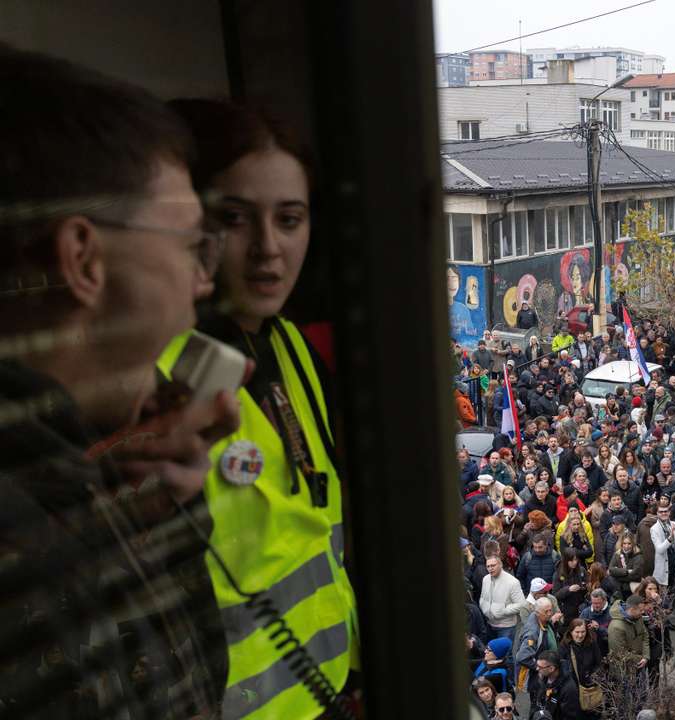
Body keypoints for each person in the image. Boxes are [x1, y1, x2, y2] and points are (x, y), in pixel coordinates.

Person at [0, 46, 237, 717]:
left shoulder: (69, 487)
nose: (205, 280)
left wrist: (152, 522)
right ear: (83, 260)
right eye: (192, 244)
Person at [162, 98, 361, 716]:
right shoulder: (160, 379)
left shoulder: (294, 346)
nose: (268, 249)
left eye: (290, 218)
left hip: (329, 689)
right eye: (235, 218)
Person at [515, 597, 564, 695]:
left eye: (551, 610)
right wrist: (541, 668)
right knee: (538, 702)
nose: (550, 614)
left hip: (549, 669)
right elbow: (522, 657)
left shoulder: (543, 619)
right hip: (537, 678)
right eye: (546, 611)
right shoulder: (532, 632)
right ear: (537, 613)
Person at [558, 619, 602, 717]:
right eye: (577, 632)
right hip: (573, 691)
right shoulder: (564, 647)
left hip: (590, 688)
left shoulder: (592, 643)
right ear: (571, 632)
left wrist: (592, 678)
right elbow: (562, 670)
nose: (580, 635)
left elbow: (599, 663)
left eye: (583, 632)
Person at [529, 650, 581, 720]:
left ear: (551, 669)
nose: (537, 669)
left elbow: (570, 716)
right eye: (537, 665)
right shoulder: (542, 677)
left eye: (540, 667)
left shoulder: (569, 689)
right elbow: (535, 703)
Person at [607, 595, 651, 671]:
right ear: (632, 609)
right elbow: (620, 653)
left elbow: (644, 635)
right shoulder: (616, 627)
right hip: (624, 669)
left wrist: (646, 656)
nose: (643, 612)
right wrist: (641, 659)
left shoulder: (637, 617)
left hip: (640, 663)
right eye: (640, 610)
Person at [607, 532, 644, 599]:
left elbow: (635, 576)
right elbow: (611, 569)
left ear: (633, 543)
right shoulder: (617, 554)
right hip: (618, 590)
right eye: (624, 543)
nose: (626, 546)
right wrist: (626, 571)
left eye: (629, 543)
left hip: (631, 590)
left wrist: (616, 575)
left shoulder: (638, 556)